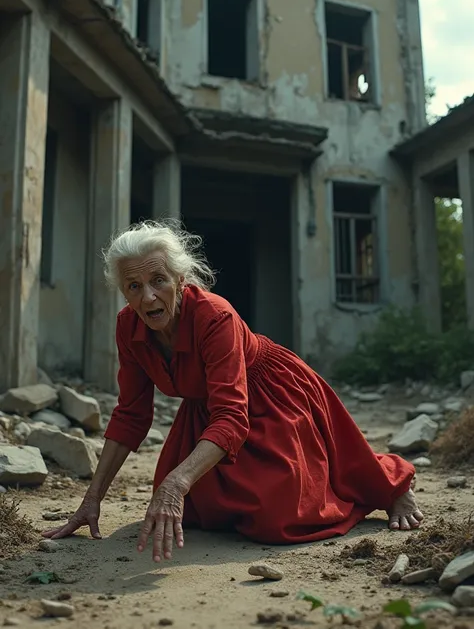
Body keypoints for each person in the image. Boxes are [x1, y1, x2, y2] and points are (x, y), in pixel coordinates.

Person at [43, 221, 423, 562]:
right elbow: (130, 414)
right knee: (194, 513)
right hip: (206, 413)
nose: (148, 298)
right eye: (134, 286)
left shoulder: (214, 316)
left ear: (180, 280)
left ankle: (390, 484)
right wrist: (91, 500)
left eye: (158, 280)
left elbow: (231, 415)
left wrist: (178, 480)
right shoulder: (128, 326)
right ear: (124, 293)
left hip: (269, 393)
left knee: (281, 518)